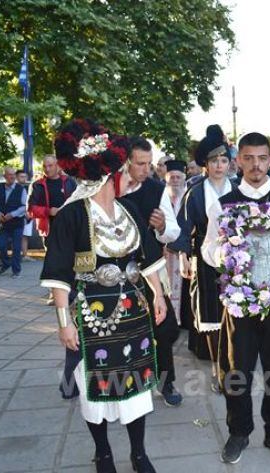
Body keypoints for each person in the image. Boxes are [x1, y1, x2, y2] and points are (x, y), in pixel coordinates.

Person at [42, 118, 166, 473]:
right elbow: (57, 276)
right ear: (108, 176)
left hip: (133, 312)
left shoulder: (128, 211)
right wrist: (64, 324)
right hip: (92, 316)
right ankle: (104, 453)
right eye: (122, 171)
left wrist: (157, 295)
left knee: (138, 386)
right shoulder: (71, 216)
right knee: (94, 387)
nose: (128, 175)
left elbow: (148, 258)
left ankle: (139, 453)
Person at [202, 132, 270, 464]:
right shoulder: (225, 204)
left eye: (261, 158)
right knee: (237, 370)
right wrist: (227, 252)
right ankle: (239, 432)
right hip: (241, 303)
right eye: (248, 158)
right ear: (238, 161)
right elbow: (207, 250)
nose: (256, 164)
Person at [168, 125, 234, 392]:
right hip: (205, 259)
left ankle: (235, 363)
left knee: (237, 312)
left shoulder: (239, 189)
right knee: (209, 312)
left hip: (236, 261)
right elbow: (184, 226)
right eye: (214, 161)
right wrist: (184, 257)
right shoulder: (195, 192)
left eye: (224, 160)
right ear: (205, 164)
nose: (220, 165)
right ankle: (219, 369)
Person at [124, 136, 183, 407]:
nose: (146, 170)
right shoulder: (108, 188)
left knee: (164, 327)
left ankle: (165, 382)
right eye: (140, 164)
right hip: (114, 274)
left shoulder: (155, 188)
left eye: (149, 163)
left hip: (148, 270)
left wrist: (161, 228)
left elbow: (173, 230)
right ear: (126, 162)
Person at [29, 154, 77, 245]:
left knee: (69, 257)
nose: (47, 169)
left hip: (68, 227)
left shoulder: (69, 182)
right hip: (48, 230)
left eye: (50, 166)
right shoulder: (37, 185)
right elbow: (31, 209)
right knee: (51, 257)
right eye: (44, 166)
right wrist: (48, 211)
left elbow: (78, 204)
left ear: (57, 166)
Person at [161, 160, 186, 323]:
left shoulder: (188, 196)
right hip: (163, 251)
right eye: (172, 177)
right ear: (166, 178)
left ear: (184, 179)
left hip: (183, 251)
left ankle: (182, 319)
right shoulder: (159, 196)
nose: (175, 180)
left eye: (178, 177)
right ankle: (169, 319)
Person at [0, 167, 27, 279]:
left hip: (17, 223)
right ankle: (6, 263)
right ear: (5, 176)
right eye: (9, 174)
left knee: (16, 248)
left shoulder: (21, 189)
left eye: (13, 174)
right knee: (1, 244)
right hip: (4, 223)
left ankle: (16, 271)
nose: (12, 176)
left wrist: (12, 214)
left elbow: (24, 206)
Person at [15, 170, 35, 261]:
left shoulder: (29, 187)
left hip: (28, 216)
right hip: (17, 215)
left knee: (25, 236)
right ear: (16, 177)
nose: (23, 178)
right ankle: (16, 255)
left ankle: (25, 254)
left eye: (25, 176)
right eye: (21, 176)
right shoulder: (13, 188)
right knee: (16, 236)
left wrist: (30, 212)